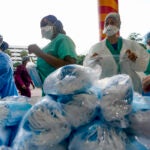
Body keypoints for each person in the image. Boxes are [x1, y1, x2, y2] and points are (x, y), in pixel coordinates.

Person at [83, 12, 150, 94]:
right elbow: (87, 68)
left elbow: (143, 66)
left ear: (118, 26)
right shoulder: (96, 48)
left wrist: (134, 59)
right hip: (107, 87)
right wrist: (92, 61)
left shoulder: (131, 45)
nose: (109, 25)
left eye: (112, 23)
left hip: (130, 86)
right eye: (106, 23)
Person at [27, 14, 77, 96]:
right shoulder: (47, 46)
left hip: (62, 95)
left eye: (45, 25)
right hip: (48, 95)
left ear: (55, 25)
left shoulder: (63, 39)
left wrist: (41, 54)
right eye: (41, 27)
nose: (43, 29)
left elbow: (70, 67)